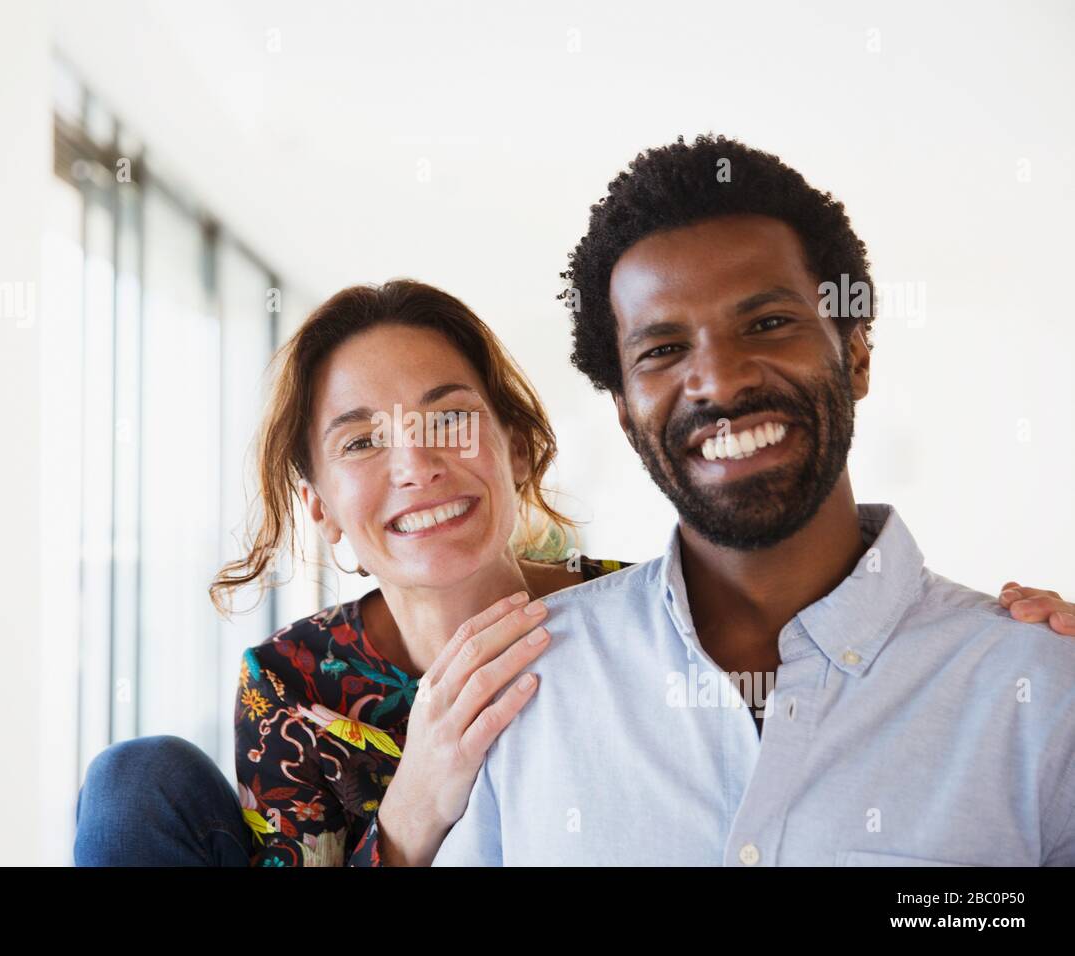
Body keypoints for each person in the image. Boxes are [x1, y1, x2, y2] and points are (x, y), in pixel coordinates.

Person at [74, 272, 1074, 867]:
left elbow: (836, 650)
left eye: (446, 414)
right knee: (137, 780)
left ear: (514, 443)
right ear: (322, 506)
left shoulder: (648, 619)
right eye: (363, 440)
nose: (417, 461)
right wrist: (417, 804)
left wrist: (1004, 648)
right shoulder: (289, 688)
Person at [430, 133, 1075, 866]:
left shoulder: (1042, 691)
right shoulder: (528, 687)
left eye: (767, 324)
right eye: (662, 351)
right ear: (623, 408)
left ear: (855, 354)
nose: (721, 382)